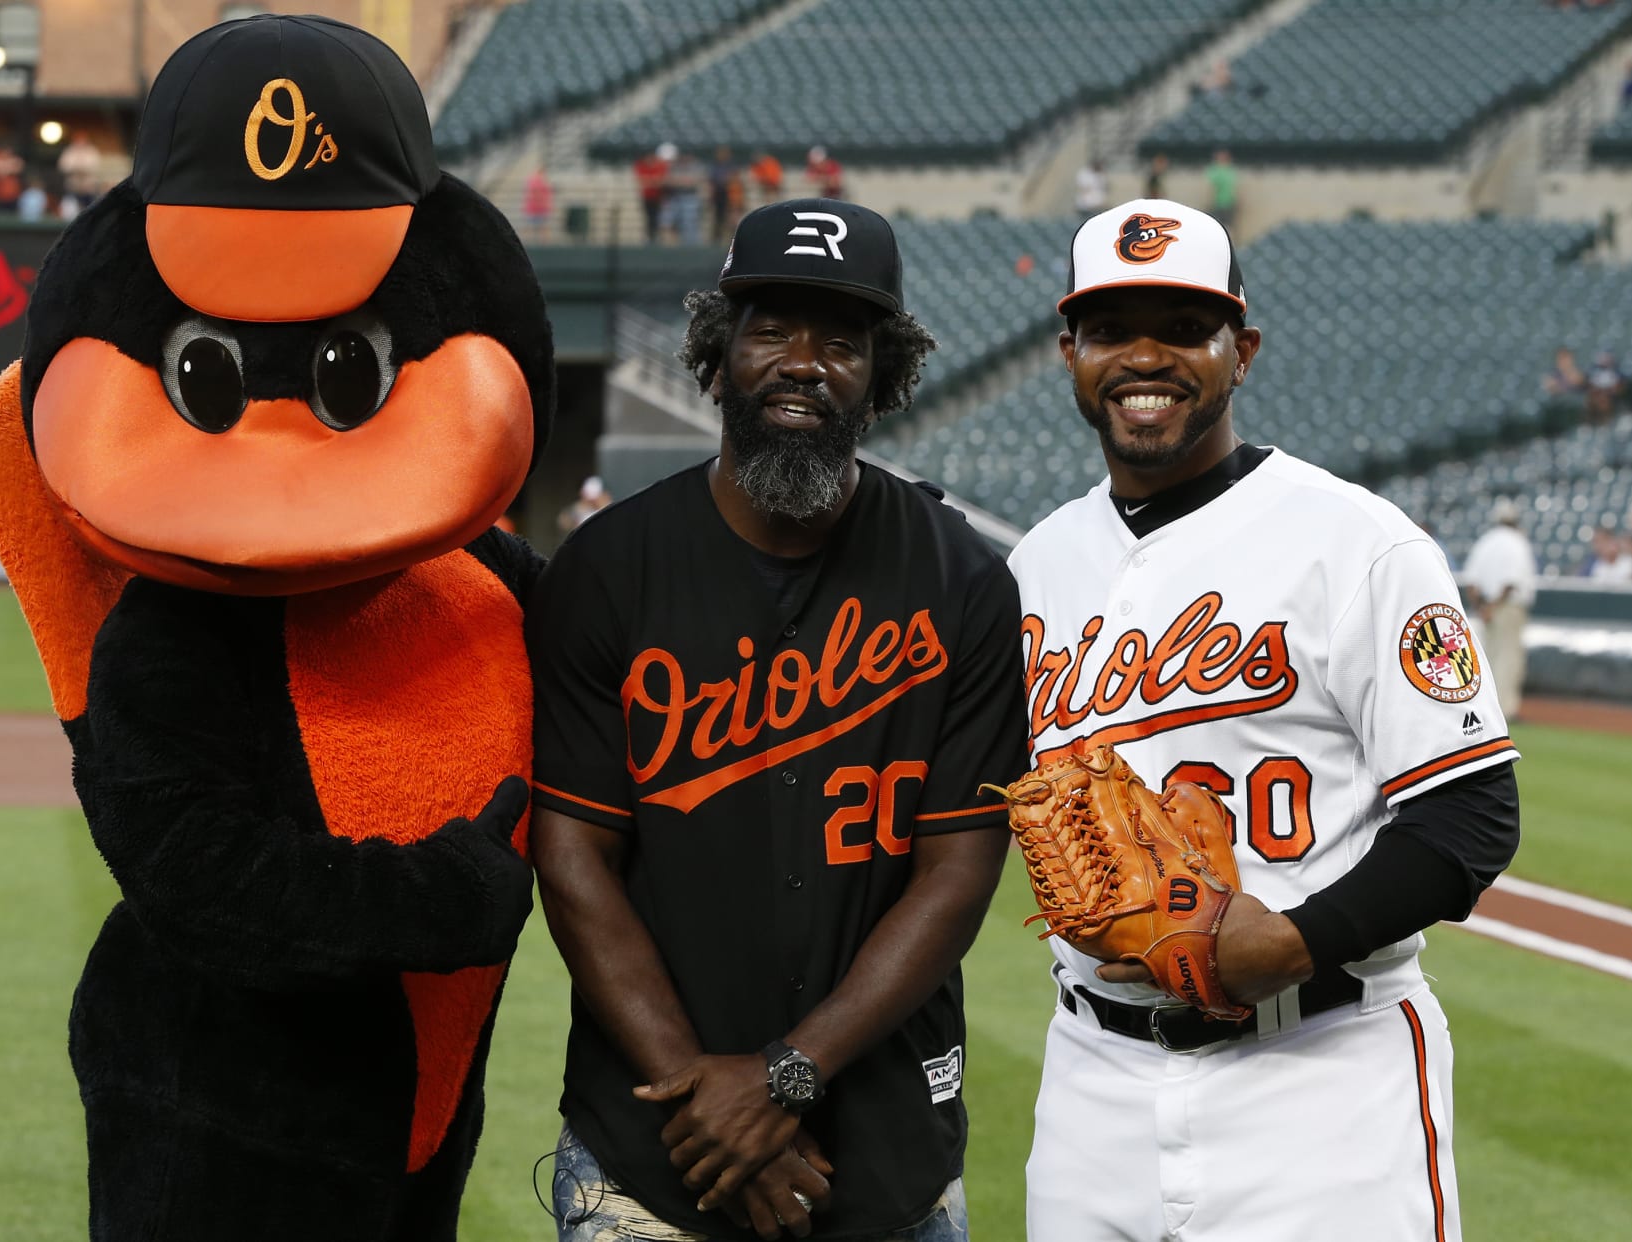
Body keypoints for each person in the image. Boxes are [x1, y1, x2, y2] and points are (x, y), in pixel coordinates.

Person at [1010, 198, 1519, 1241]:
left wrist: (1292, 940)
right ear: (1070, 353)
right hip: (1091, 1087)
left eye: (1182, 328)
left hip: (1321, 1086)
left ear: (1239, 351)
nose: (1144, 357)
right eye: (1112, 330)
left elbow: (1470, 820)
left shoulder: (1361, 545)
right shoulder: (1038, 563)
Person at [528, 199, 1020, 1242]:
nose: (802, 363)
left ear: (881, 375)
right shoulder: (608, 571)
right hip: (654, 1157)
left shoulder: (964, 580)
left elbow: (959, 870)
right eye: (768, 332)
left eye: (840, 342)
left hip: (884, 1157)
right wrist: (709, 1098)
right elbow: (572, 854)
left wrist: (786, 1076)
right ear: (715, 357)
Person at [1463, 498, 1538, 721]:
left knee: (1489, 658)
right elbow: (1510, 582)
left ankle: (1487, 709)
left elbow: (1471, 582)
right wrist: (1493, 607)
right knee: (1508, 657)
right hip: (1507, 606)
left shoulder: (1485, 541)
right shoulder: (1517, 542)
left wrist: (1482, 607)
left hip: (1487, 606)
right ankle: (1505, 710)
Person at [635, 144, 675, 243]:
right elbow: (643, 180)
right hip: (647, 196)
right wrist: (655, 181)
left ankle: (658, 237)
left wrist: (653, 181)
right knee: (650, 218)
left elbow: (663, 180)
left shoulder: (660, 164)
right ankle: (650, 237)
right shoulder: (640, 165)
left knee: (660, 218)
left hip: (659, 196)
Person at [1583, 349, 1626, 422]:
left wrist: (1609, 391)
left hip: (1610, 397)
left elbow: (1620, 387)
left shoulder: (1617, 372)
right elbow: (1590, 387)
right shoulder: (1593, 372)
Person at [1205, 149, 1238, 230]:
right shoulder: (1213, 170)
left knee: (1229, 227)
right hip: (1216, 204)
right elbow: (1210, 188)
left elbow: (1235, 187)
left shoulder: (1231, 170)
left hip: (1229, 204)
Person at [524, 163, 556, 242]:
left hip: (541, 208)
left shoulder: (542, 180)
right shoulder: (536, 180)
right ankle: (526, 241)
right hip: (535, 207)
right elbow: (535, 193)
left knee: (542, 227)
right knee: (532, 227)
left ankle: (544, 242)